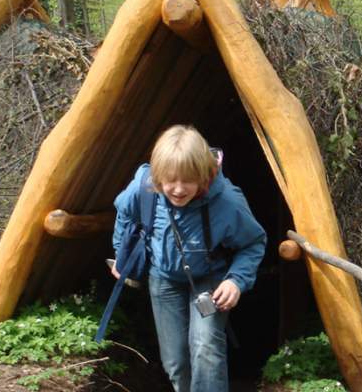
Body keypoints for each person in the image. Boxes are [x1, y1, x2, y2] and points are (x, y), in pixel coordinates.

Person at [110, 125, 267, 392]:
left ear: (204, 176)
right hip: (163, 280)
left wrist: (236, 281)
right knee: (176, 361)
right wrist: (121, 254)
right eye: (170, 180)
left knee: (205, 347)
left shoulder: (227, 202)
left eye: (188, 180)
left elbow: (253, 243)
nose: (179, 189)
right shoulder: (143, 189)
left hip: (210, 279)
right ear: (158, 177)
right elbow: (124, 212)